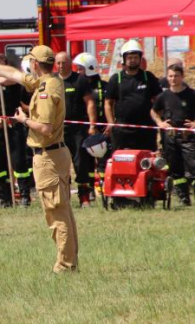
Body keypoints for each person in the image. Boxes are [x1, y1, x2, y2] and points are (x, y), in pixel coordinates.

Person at [0, 45, 78, 273]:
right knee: (63, 211)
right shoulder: (49, 81)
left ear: (35, 64)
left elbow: (46, 128)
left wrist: (24, 120)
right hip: (55, 154)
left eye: (30, 61)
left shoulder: (46, 90)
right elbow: (13, 74)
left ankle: (65, 265)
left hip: (48, 156)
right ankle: (70, 261)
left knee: (56, 213)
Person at [0, 55, 32, 207]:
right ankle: (2, 197)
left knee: (19, 159)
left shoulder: (16, 79)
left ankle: (24, 196)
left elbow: (10, 79)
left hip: (14, 123)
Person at [105, 40, 162, 152]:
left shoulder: (148, 77)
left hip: (146, 129)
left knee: (146, 159)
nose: (133, 60)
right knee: (122, 159)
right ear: (124, 59)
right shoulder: (116, 79)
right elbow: (108, 103)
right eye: (130, 58)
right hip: (122, 130)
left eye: (136, 57)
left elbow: (159, 100)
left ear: (140, 59)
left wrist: (157, 119)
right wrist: (111, 123)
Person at [151, 64, 195, 205]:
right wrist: (160, 123)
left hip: (189, 137)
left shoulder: (191, 94)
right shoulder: (163, 96)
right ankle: (183, 198)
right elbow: (154, 111)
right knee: (175, 169)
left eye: (176, 76)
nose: (173, 79)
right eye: (170, 76)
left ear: (182, 76)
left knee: (193, 167)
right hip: (170, 137)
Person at [56, 52, 96, 207]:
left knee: (80, 163)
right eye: (58, 63)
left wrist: (92, 125)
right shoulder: (52, 81)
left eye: (64, 62)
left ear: (70, 63)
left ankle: (84, 196)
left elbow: (90, 102)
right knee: (60, 163)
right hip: (58, 130)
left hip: (78, 129)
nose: (61, 66)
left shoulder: (80, 80)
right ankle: (64, 196)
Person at [73, 52, 107, 201]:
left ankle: (106, 188)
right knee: (86, 161)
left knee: (103, 161)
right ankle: (90, 189)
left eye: (80, 69)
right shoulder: (78, 86)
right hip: (85, 129)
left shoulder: (104, 86)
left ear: (89, 68)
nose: (77, 72)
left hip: (103, 130)